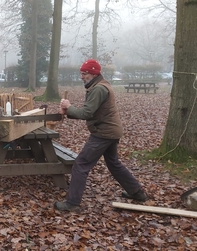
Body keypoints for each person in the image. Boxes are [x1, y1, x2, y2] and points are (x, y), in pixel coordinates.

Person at [54, 59, 148, 212]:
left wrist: (68, 107)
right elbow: (89, 111)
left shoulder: (99, 89)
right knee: (114, 164)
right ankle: (137, 193)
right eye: (81, 73)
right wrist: (68, 111)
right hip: (110, 131)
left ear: (93, 73)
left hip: (103, 133)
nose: (81, 77)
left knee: (81, 164)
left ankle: (72, 203)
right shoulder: (98, 86)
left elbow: (86, 112)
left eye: (84, 74)